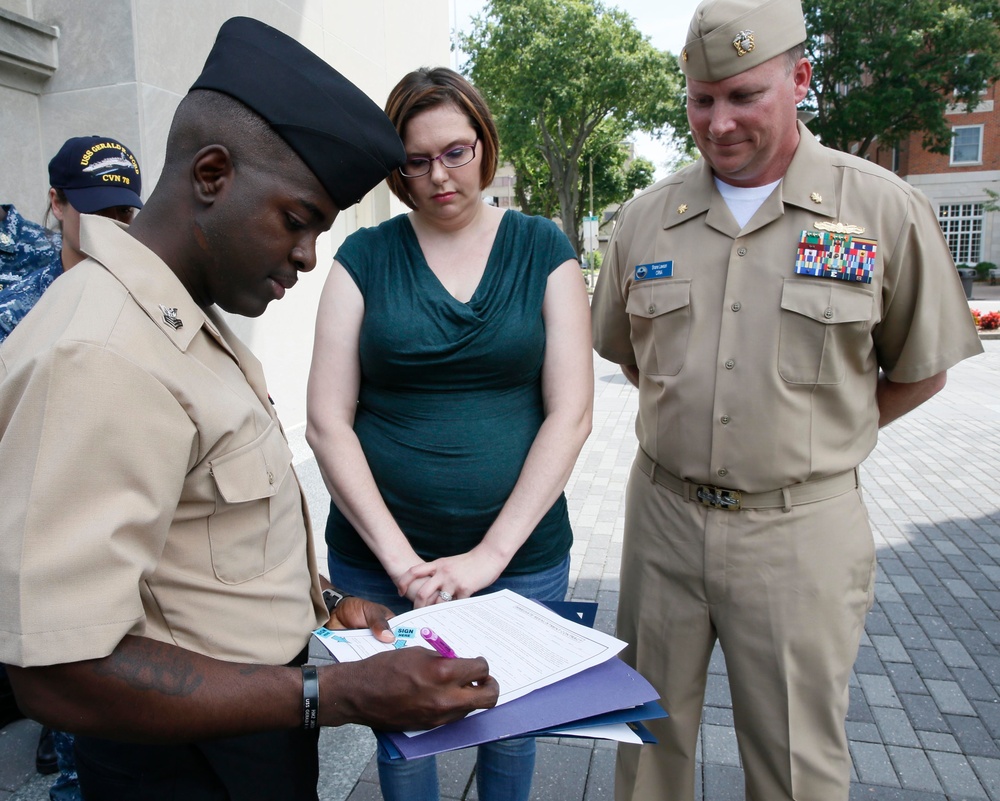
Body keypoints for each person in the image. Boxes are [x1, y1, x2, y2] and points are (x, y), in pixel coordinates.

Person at [0, 18, 499, 801]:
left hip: (248, 728)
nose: (305, 257)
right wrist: (333, 695)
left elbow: (201, 544)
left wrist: (326, 602)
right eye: (297, 221)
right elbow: (59, 672)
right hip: (181, 765)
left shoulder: (182, 317)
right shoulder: (99, 351)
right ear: (211, 174)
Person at [590, 0, 985, 799]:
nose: (720, 122)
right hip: (662, 524)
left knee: (796, 764)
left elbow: (923, 366)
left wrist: (813, 439)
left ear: (799, 79)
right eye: (702, 99)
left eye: (744, 96)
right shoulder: (644, 220)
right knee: (645, 749)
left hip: (801, 528)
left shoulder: (879, 210)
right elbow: (635, 359)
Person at [306, 66, 593, 801]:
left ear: (485, 145)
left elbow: (573, 411)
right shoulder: (364, 259)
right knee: (405, 737)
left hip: (521, 556)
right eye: (417, 159)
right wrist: (405, 566)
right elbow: (326, 421)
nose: (440, 176)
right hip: (379, 563)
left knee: (511, 723)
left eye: (456, 151)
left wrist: (488, 555)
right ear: (395, 165)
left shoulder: (543, 249)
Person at [0, 134, 143, 801]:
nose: (111, 230)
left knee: (102, 739)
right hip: (29, 533)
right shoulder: (16, 285)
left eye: (123, 215)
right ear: (56, 203)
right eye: (96, 211)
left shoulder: (145, 288)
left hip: (109, 540)